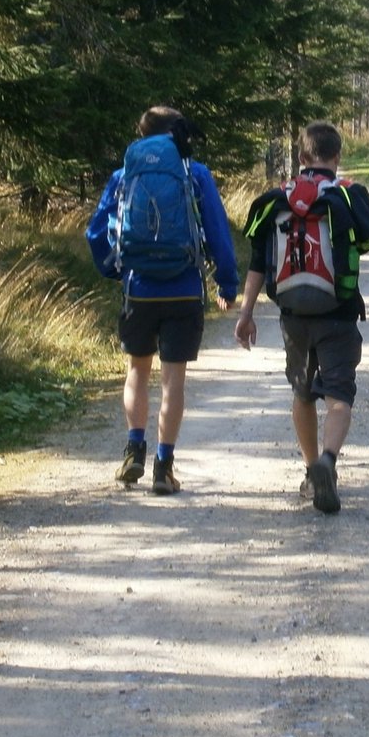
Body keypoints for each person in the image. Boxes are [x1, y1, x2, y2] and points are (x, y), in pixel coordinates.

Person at [234, 122, 369, 516]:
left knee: (302, 394)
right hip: (338, 313)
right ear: (337, 157)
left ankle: (309, 472)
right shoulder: (350, 194)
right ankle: (328, 461)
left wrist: (246, 312)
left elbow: (258, 263)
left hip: (293, 316)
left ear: (302, 157)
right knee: (339, 397)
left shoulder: (275, 200)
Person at [86, 106, 239, 495]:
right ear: (178, 133)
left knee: (137, 370)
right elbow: (217, 231)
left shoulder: (124, 175)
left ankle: (133, 450)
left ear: (142, 135)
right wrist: (226, 283)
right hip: (183, 288)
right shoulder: (194, 173)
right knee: (173, 380)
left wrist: (117, 270)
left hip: (138, 288)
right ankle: (163, 467)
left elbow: (96, 232)